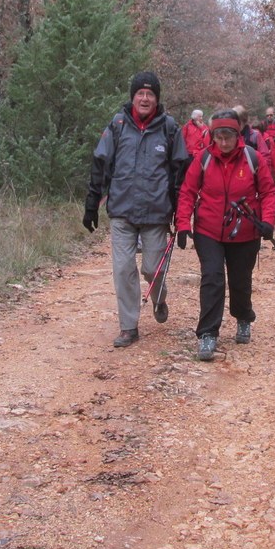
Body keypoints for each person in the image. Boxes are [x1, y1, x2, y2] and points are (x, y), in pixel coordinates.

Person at [82, 71, 189, 348]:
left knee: (153, 269)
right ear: (132, 97)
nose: (144, 98)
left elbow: (180, 171)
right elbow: (99, 162)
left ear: (156, 99)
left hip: (156, 212)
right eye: (140, 94)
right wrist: (92, 203)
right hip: (122, 211)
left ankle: (159, 296)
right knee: (122, 270)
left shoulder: (168, 127)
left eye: (150, 94)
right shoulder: (118, 125)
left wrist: (181, 213)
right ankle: (129, 327)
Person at [175, 109, 275, 361]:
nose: (223, 142)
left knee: (240, 280)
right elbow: (187, 192)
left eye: (228, 136)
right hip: (208, 230)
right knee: (212, 278)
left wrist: (267, 221)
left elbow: (267, 192)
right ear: (213, 135)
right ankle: (208, 334)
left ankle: (243, 317)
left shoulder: (252, 158)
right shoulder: (203, 159)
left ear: (237, 134)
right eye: (219, 136)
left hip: (245, 232)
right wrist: (182, 224)